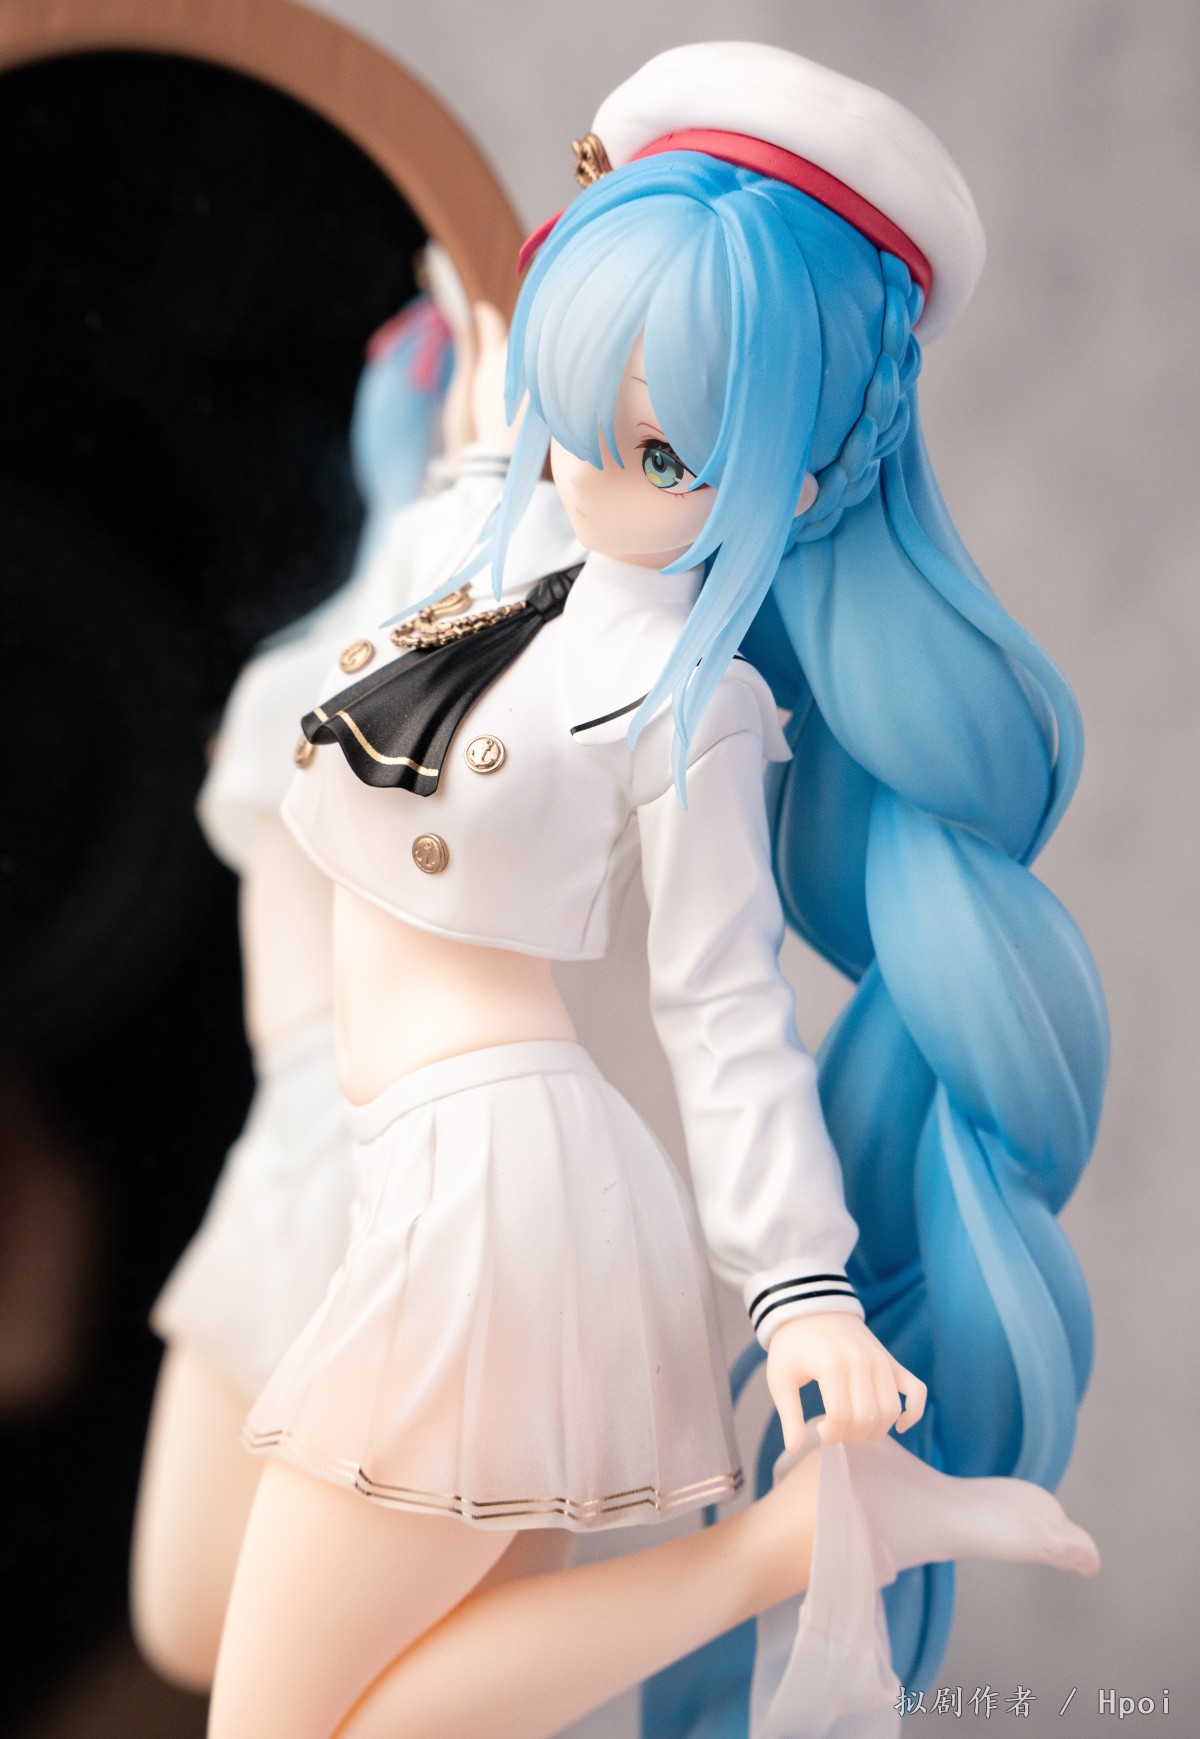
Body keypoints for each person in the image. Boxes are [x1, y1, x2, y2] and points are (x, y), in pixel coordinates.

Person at [209, 44, 1106, 1739]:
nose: (599, 475)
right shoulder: (515, 571)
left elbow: (724, 1003)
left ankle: (790, 1544)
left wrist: (803, 1288)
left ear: (807, 477)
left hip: (501, 1201)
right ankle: (796, 1541)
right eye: (582, 411)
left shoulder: (693, 704)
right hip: (443, 1186)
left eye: (669, 452)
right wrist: (471, 448)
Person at [130, 256, 521, 1691]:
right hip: (291, 1148)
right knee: (199, 1631)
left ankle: (759, 1564)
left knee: (316, 1669)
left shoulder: (507, 644)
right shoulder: (365, 625)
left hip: (394, 1159)